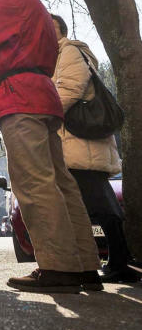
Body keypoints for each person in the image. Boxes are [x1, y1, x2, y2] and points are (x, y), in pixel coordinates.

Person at [0, 0, 100, 293]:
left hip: (19, 97)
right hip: (42, 97)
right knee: (61, 183)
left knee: (34, 183)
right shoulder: (35, 7)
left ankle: (57, 266)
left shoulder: (15, 2)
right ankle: (83, 265)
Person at [50, 14, 138, 283]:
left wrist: (43, 114)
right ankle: (115, 261)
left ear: (61, 30)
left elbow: (69, 91)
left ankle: (119, 262)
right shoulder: (59, 55)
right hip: (78, 141)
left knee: (100, 204)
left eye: (49, 28)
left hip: (81, 142)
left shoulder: (69, 51)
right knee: (96, 202)